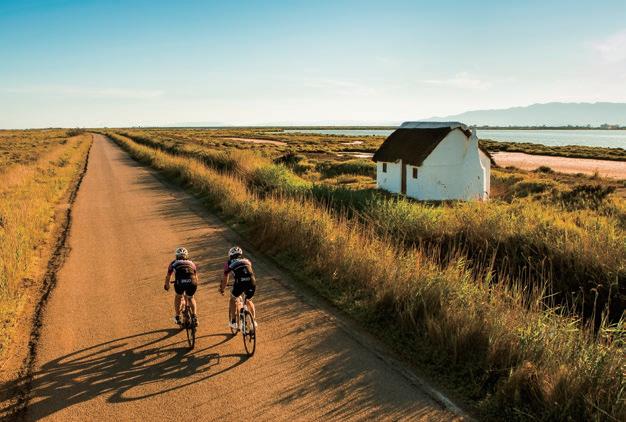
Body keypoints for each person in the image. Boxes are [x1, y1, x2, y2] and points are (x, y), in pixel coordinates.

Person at [220, 246, 256, 331]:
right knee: (249, 300)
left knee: (233, 299)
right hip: (251, 281)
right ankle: (253, 322)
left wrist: (222, 289)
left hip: (240, 282)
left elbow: (225, 278)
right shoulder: (247, 261)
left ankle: (233, 322)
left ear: (230, 255)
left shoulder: (228, 263)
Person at [164, 247, 199, 326]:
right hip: (192, 282)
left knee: (178, 296)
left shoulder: (173, 263)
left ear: (177, 256)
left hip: (180, 282)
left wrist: (167, 285)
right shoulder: (192, 263)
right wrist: (194, 284)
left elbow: (168, 276)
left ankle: (177, 316)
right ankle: (194, 316)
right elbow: (196, 277)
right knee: (191, 297)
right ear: (186, 255)